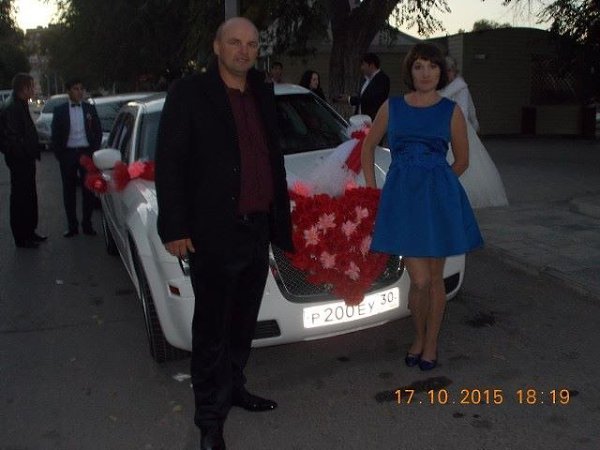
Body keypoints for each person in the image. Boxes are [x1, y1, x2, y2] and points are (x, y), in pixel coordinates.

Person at [155, 17, 293, 450]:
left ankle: (235, 388)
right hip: (214, 231)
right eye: (234, 42)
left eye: (251, 43)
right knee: (211, 331)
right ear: (217, 47)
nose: (244, 50)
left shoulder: (262, 92)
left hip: (257, 228)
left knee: (243, 322)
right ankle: (210, 421)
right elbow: (170, 162)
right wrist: (175, 225)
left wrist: (279, 218)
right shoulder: (189, 94)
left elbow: (271, 158)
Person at [361, 43, 483, 372]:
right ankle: (418, 335)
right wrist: (372, 190)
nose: (426, 73)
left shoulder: (451, 111)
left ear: (440, 72)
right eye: (419, 66)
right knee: (419, 280)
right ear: (410, 71)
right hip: (403, 201)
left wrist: (437, 186)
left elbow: (462, 161)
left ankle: (430, 343)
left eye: (432, 66)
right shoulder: (392, 107)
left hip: (435, 203)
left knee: (434, 278)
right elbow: (368, 147)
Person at [439, 56, 509, 208]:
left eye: (450, 70)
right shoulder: (440, 88)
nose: (448, 74)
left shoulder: (460, 87)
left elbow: (464, 111)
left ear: (454, 71)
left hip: (458, 129)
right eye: (445, 71)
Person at [51, 78, 102, 237]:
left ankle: (87, 224)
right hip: (68, 154)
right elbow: (55, 135)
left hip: (86, 152)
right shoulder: (60, 111)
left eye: (81, 89)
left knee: (88, 190)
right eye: (75, 89)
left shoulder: (89, 109)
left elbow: (98, 130)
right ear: (68, 91)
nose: (79, 92)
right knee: (69, 191)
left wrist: (93, 150)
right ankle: (72, 226)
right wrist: (60, 155)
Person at [0, 73, 46, 248]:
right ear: (23, 88)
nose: (33, 90)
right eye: (31, 86)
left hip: (25, 158)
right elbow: (13, 138)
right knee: (21, 198)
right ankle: (22, 236)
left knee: (29, 197)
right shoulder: (12, 107)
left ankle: (29, 231)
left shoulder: (20, 104)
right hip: (20, 160)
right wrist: (24, 152)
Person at [334, 53, 390, 120]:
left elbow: (371, 99)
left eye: (363, 65)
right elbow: (362, 98)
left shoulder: (382, 79)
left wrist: (349, 99)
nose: (362, 68)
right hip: (360, 120)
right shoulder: (366, 80)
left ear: (371, 65)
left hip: (373, 120)